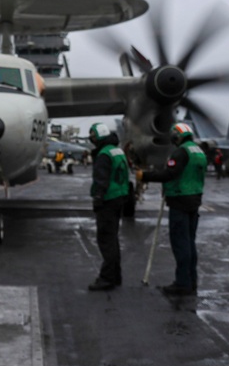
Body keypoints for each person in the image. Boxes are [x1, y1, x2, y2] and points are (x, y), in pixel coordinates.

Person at [137, 123, 206, 296]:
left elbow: (170, 173)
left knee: (181, 244)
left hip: (180, 200)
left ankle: (182, 283)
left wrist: (145, 176)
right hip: (194, 199)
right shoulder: (198, 151)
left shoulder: (181, 152)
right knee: (190, 242)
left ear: (178, 136)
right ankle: (191, 280)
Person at [87, 122, 130, 291]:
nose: (92, 139)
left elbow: (101, 180)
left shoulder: (104, 154)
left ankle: (107, 278)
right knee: (113, 238)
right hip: (119, 196)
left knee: (106, 239)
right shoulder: (117, 151)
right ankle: (116, 275)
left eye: (93, 136)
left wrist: (98, 199)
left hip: (108, 199)